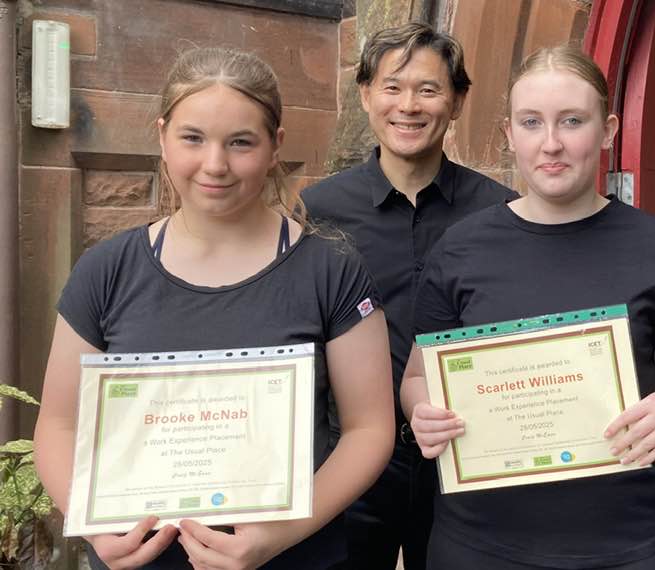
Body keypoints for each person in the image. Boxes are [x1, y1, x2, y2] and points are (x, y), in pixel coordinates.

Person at [33, 47, 395, 569]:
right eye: (193, 138)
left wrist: (277, 536)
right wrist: (90, 524)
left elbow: (369, 429)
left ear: (275, 145)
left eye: (240, 142)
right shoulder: (105, 271)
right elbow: (58, 425)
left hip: (293, 556)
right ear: (162, 136)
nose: (215, 164)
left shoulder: (331, 270)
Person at [400, 46, 655, 570]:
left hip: (619, 547)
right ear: (509, 134)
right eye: (532, 122)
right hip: (478, 545)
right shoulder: (460, 250)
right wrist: (422, 411)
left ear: (608, 130)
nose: (551, 143)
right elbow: (419, 377)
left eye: (572, 121)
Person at [301, 22, 516, 570]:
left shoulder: (502, 213)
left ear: (458, 101)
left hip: (466, 459)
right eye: (392, 87)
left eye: (428, 89)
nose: (409, 106)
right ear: (366, 95)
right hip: (348, 461)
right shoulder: (316, 214)